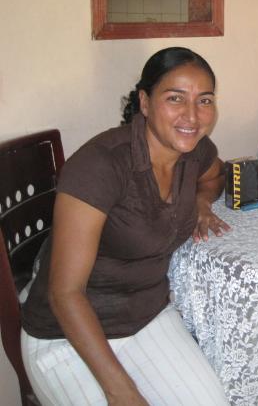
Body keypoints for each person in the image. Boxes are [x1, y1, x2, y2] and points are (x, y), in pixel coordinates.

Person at [21, 47, 231, 405]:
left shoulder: (194, 149)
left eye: (205, 100)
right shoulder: (100, 165)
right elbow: (65, 293)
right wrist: (120, 390)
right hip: (66, 334)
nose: (192, 115)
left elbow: (216, 176)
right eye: (175, 98)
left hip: (146, 316)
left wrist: (201, 201)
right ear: (145, 103)